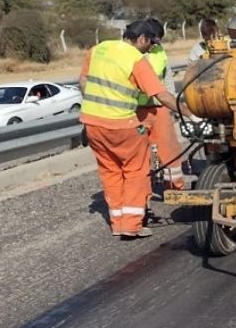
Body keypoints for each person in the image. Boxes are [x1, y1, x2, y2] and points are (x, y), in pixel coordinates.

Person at [79, 19, 192, 239]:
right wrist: (190, 113)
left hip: (92, 122)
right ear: (141, 39)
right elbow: (162, 95)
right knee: (136, 172)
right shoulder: (135, 59)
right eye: (150, 43)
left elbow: (83, 81)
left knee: (110, 172)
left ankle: (118, 223)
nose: (151, 48)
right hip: (121, 124)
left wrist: (96, 105)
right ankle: (131, 225)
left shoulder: (98, 49)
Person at [138, 18, 186, 192]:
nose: (155, 45)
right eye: (153, 40)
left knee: (170, 148)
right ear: (143, 37)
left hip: (160, 107)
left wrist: (173, 104)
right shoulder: (132, 53)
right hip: (137, 111)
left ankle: (175, 187)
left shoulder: (159, 51)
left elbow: (167, 78)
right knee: (140, 154)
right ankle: (143, 193)